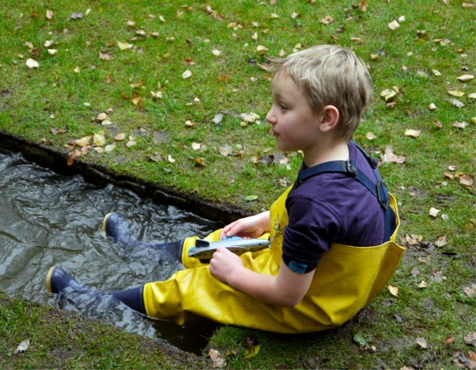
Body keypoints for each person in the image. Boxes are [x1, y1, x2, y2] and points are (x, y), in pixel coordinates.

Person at [46, 44, 404, 333]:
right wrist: (267, 220)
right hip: (327, 276)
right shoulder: (346, 155)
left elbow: (288, 294)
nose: (270, 115)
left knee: (203, 285)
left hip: (312, 305)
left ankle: (95, 300)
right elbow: (326, 224)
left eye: (284, 106)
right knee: (222, 242)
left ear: (326, 119)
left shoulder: (318, 204)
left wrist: (235, 275)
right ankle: (143, 253)